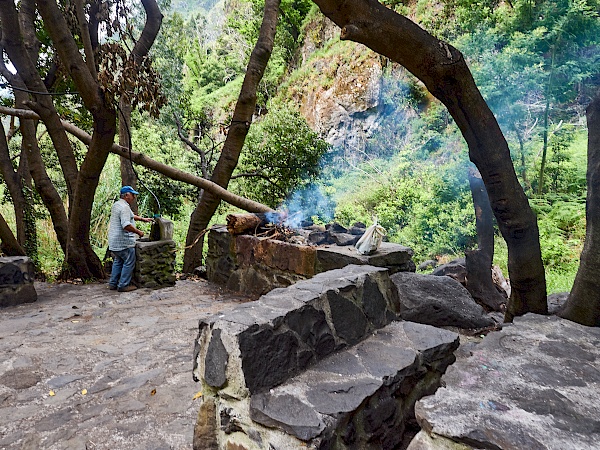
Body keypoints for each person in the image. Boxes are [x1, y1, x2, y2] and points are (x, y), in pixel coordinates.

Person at [107, 186, 153, 292]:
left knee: (118, 261)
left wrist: (143, 219)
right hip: (124, 243)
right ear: (127, 195)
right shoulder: (124, 207)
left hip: (114, 243)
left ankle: (113, 283)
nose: (134, 197)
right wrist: (138, 232)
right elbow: (126, 225)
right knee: (129, 262)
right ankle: (123, 285)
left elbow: (131, 216)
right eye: (133, 195)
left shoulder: (117, 205)